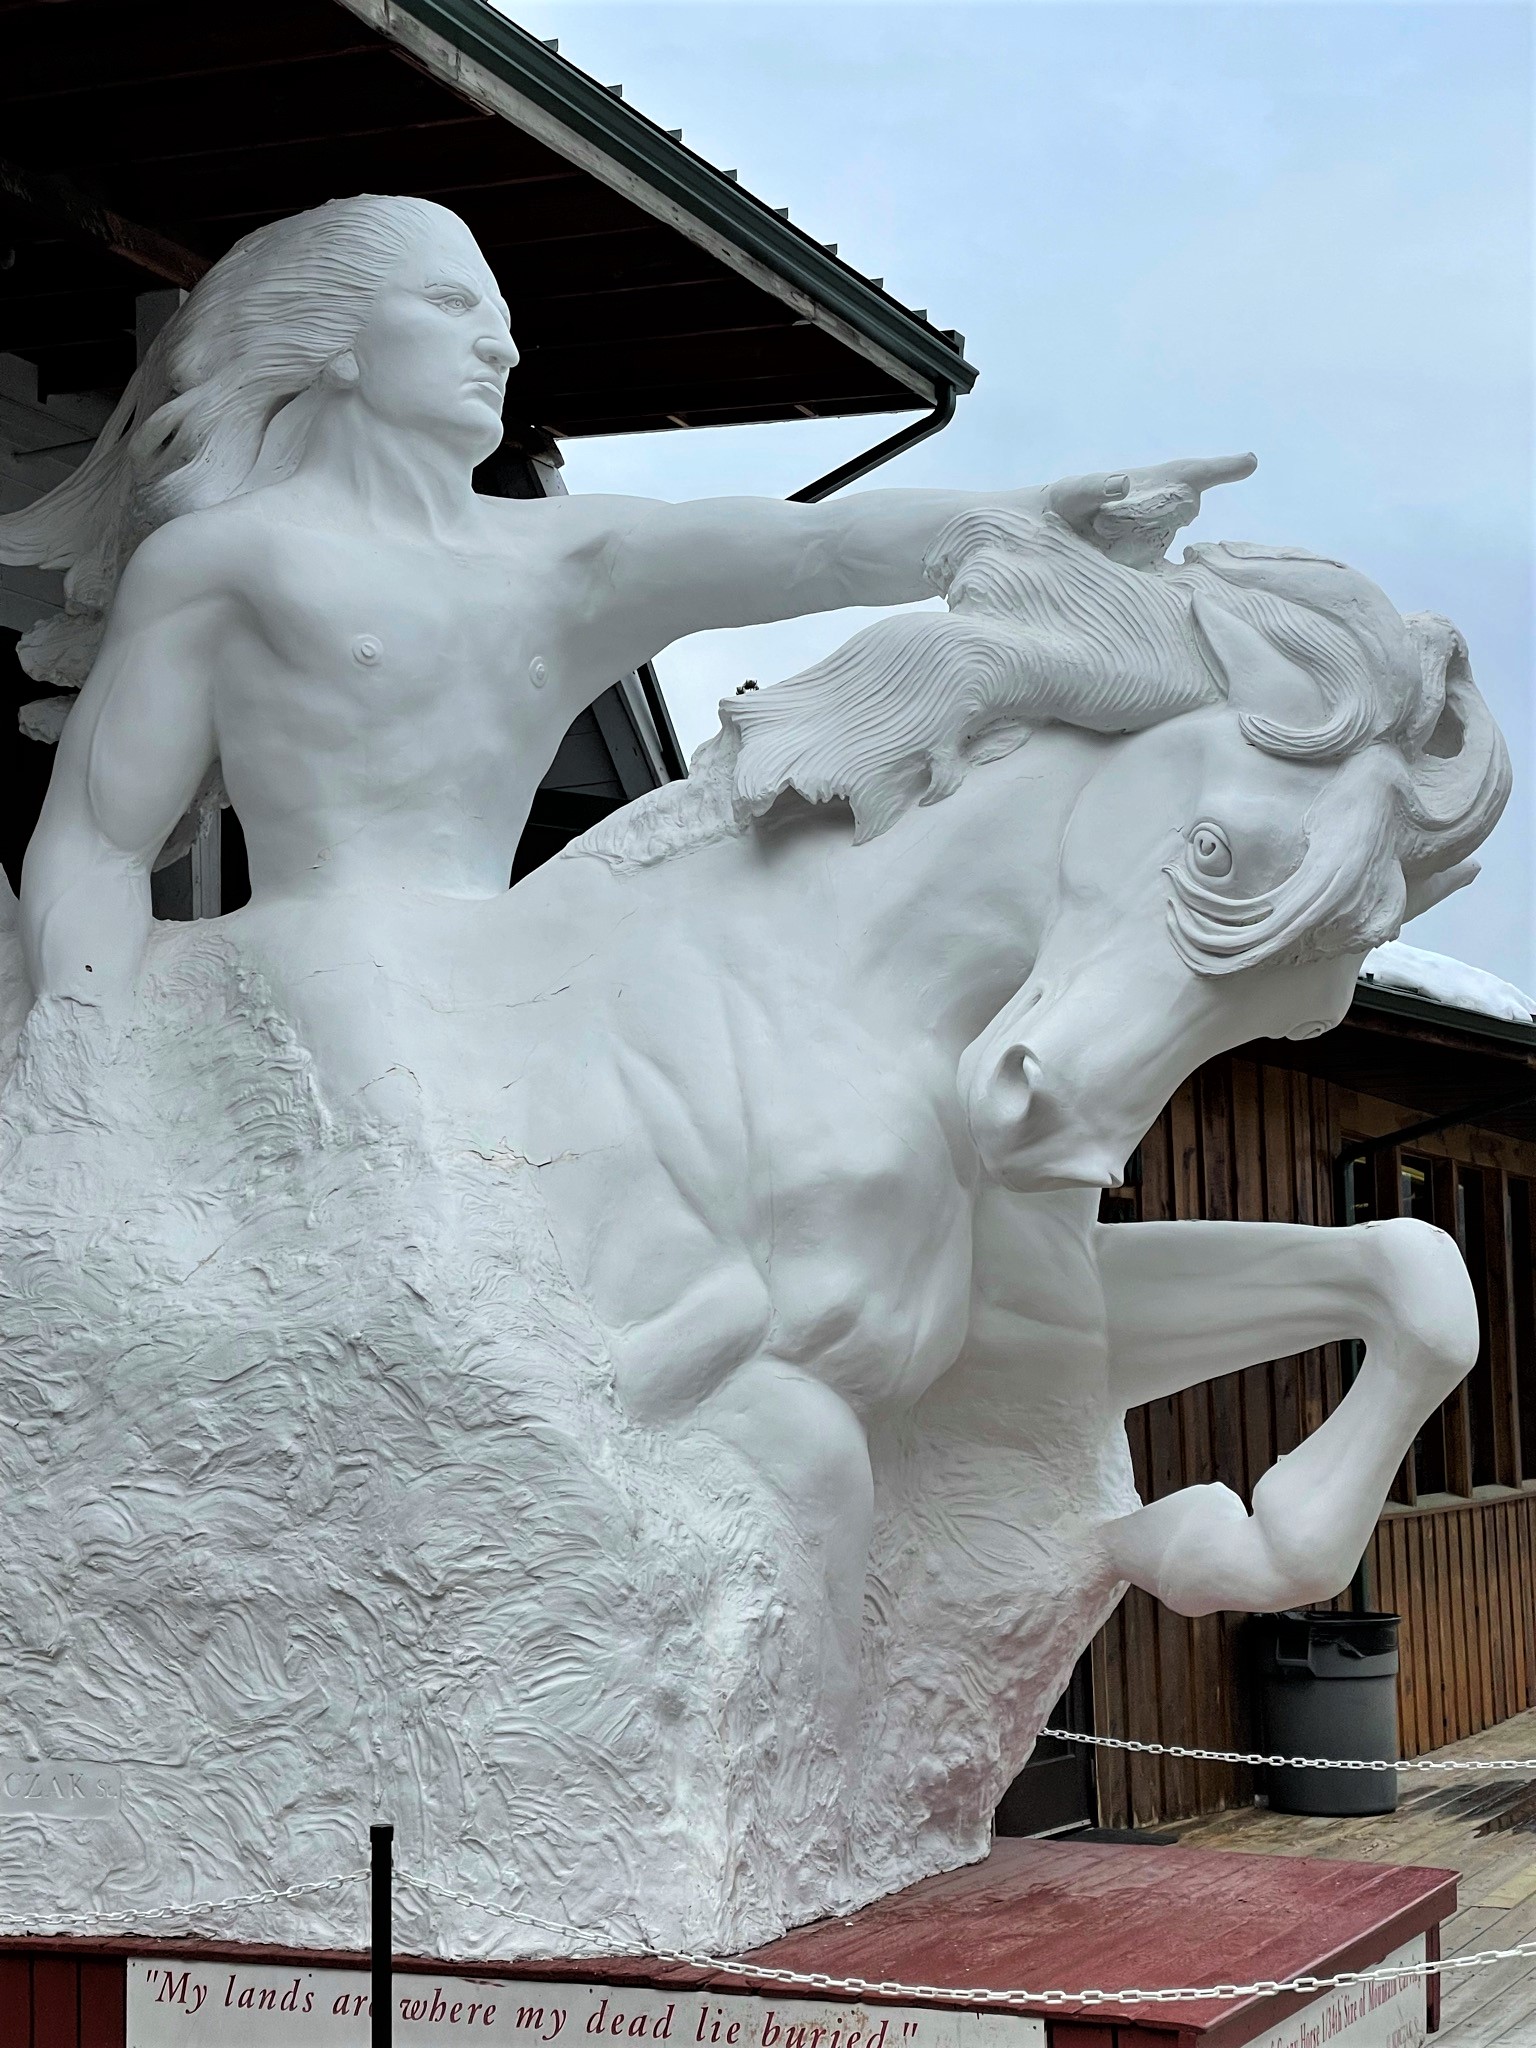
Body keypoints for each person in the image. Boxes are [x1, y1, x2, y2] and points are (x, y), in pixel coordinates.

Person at [0, 193, 1250, 1020]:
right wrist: (81, 1052)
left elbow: (813, 548)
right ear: (333, 339)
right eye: (453, 309)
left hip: (506, 980)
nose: (502, 349)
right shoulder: (229, 560)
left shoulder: (559, 557)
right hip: (318, 989)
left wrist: (1034, 514)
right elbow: (100, 845)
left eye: (505, 325)